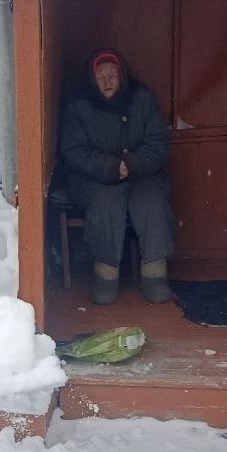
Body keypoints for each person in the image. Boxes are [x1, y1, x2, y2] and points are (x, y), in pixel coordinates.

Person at [60, 48, 174, 306]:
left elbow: (157, 144)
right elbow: (74, 151)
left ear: (122, 76)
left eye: (112, 74)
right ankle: (105, 276)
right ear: (92, 79)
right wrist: (110, 167)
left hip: (141, 173)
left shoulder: (141, 99)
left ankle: (155, 276)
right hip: (95, 178)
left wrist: (131, 164)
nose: (107, 80)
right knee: (105, 202)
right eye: (100, 75)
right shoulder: (78, 106)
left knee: (152, 202)